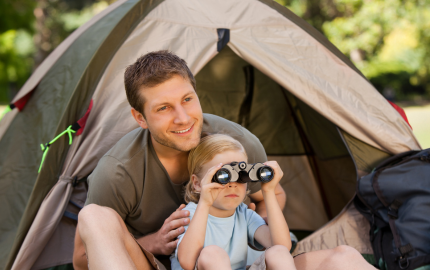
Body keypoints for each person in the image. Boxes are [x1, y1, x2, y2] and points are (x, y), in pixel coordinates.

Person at [73, 50, 377, 270]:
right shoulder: (118, 171)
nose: (183, 118)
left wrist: (245, 219)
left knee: (345, 258)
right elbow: (81, 261)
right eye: (163, 108)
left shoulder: (236, 145)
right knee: (94, 216)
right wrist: (153, 242)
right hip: (156, 265)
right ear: (140, 118)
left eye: (188, 99)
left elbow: (272, 195)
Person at [172, 134, 296, 270]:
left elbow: (282, 246)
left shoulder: (244, 214)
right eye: (223, 176)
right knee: (213, 253)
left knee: (278, 253)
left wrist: (268, 191)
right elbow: (187, 262)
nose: (232, 184)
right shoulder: (188, 215)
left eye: (240, 177)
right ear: (197, 183)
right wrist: (205, 203)